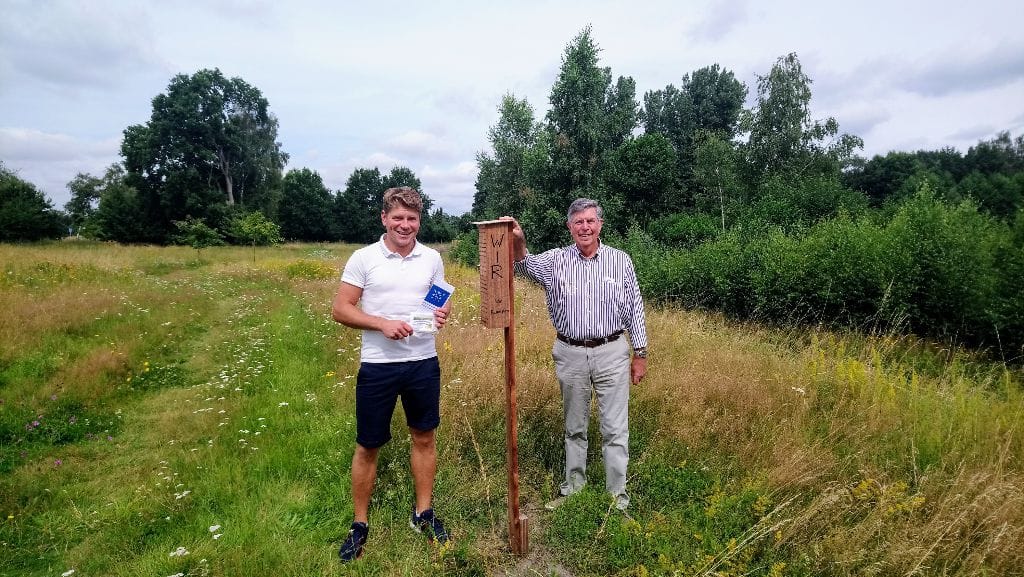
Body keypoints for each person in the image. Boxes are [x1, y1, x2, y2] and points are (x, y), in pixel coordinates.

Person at [332, 186, 452, 562]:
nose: (405, 225)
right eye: (397, 217)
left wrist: (441, 314)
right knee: (368, 445)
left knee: (424, 437)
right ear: (384, 218)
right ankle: (359, 524)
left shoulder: (431, 258)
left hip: (422, 362)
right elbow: (341, 308)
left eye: (412, 218)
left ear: (419, 221)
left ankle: (423, 513)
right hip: (378, 366)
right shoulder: (364, 258)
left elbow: (439, 301)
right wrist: (381, 323)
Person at [504, 198, 648, 511]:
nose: (585, 227)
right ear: (569, 226)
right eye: (578, 222)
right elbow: (523, 264)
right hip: (569, 352)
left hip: (612, 351)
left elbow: (634, 307)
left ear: (600, 225)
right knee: (575, 427)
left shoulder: (620, 261)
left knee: (615, 429)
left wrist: (640, 353)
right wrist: (518, 239)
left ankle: (617, 499)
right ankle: (574, 489)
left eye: (590, 221)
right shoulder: (555, 260)